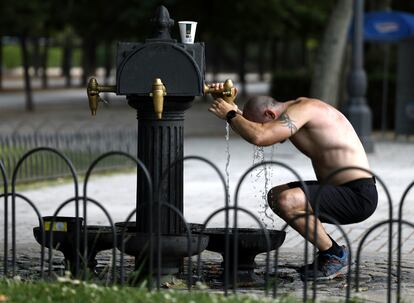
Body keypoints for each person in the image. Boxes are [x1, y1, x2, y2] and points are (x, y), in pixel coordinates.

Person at [208, 84, 378, 281]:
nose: (267, 128)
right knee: (276, 195)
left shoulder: (305, 110)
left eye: (264, 123)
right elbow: (257, 128)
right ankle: (331, 252)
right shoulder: (293, 112)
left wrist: (231, 115)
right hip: (338, 188)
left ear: (270, 114)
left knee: (288, 201)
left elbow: (259, 135)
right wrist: (229, 106)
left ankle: (335, 255)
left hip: (357, 195)